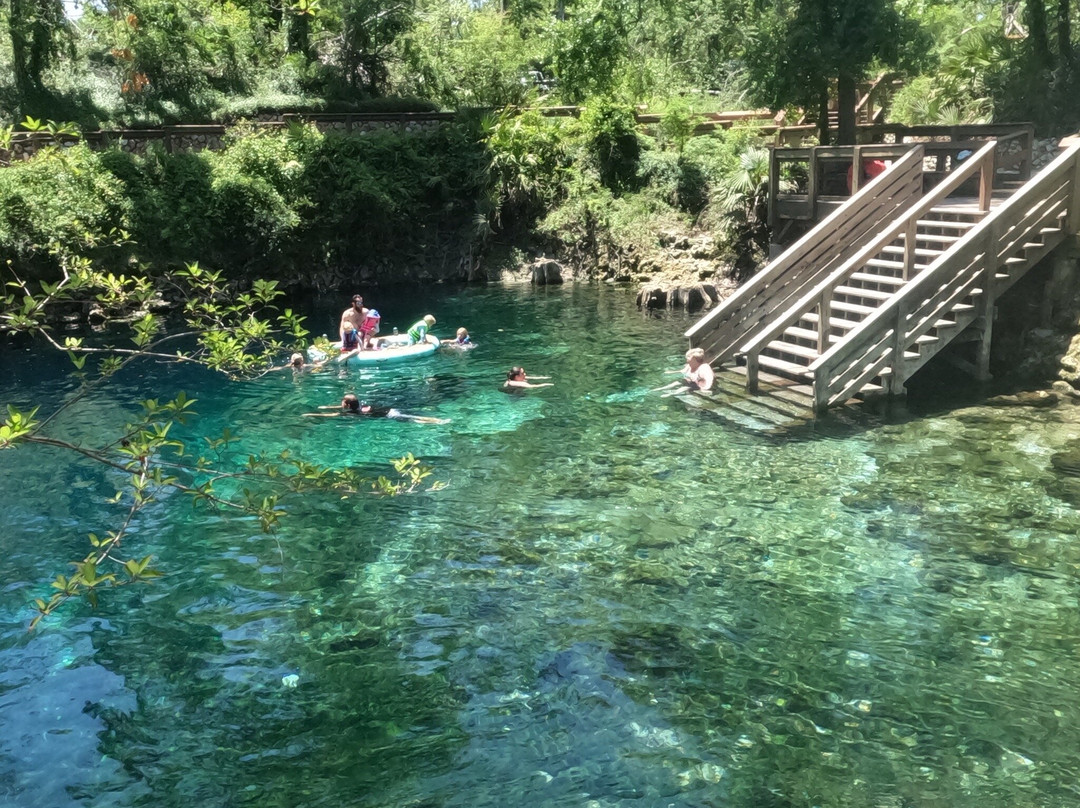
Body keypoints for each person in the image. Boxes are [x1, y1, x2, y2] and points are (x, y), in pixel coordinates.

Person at [303, 393, 449, 424]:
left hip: (391, 415)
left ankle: (437, 421)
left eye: (342, 402)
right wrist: (326, 406)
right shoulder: (359, 405)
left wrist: (311, 414)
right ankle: (436, 419)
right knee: (413, 416)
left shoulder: (353, 414)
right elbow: (339, 408)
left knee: (415, 420)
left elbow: (333, 415)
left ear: (347, 405)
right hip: (390, 409)